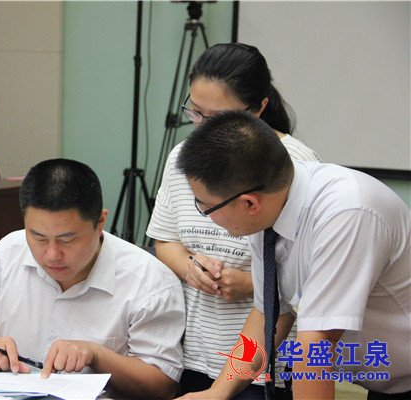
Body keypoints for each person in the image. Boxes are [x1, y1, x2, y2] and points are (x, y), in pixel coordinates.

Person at [175, 110, 410, 399]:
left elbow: (316, 344)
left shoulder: (346, 213)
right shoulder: (270, 205)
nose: (206, 216)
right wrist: (217, 392)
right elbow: (269, 315)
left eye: (205, 207)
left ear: (249, 203)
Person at [146, 43, 320, 398]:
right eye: (195, 112)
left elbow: (306, 281)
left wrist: (253, 284)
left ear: (258, 108)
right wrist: (190, 266)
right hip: (193, 351)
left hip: (264, 361)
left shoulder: (293, 166)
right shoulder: (184, 157)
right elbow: (165, 239)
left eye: (217, 118)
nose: (202, 127)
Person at [0, 158, 185, 399]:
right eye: (38, 237)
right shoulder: (9, 251)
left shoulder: (149, 281)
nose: (52, 255)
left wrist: (97, 356)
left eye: (67, 240)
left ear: (100, 222)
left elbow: (163, 385)